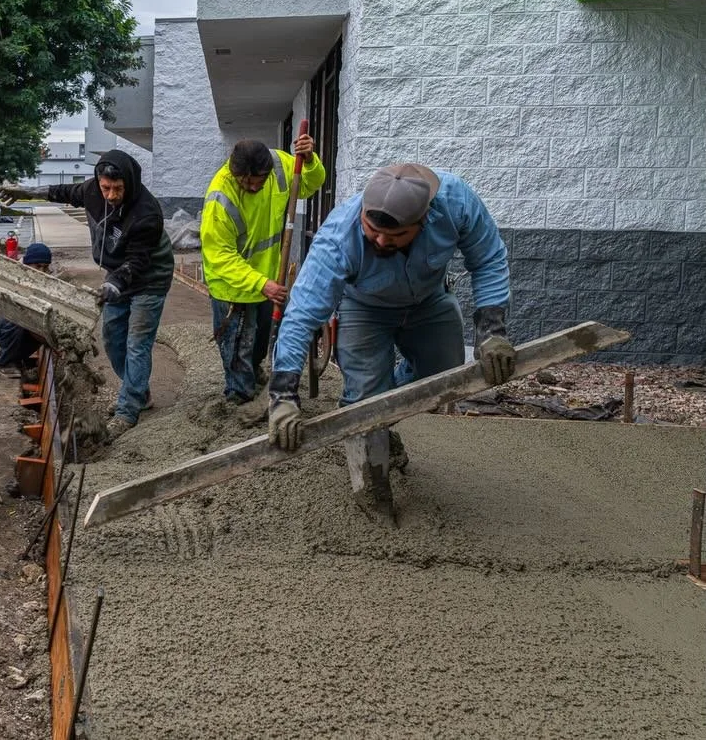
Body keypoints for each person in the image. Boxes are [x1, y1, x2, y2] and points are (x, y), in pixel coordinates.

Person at [266, 163, 515, 527]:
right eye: (373, 231)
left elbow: (488, 258)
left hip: (429, 300)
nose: (381, 242)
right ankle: (372, 490)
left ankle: (378, 415)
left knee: (443, 378)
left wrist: (492, 332)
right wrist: (282, 396)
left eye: (395, 235)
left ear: (424, 220)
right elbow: (302, 315)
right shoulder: (339, 236)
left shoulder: (455, 201)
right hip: (364, 307)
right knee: (366, 400)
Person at [0, 150, 174, 437]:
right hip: (117, 272)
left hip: (149, 277)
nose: (111, 195)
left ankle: (128, 410)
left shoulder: (146, 213)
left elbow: (137, 262)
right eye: (106, 188)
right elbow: (62, 191)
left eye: (118, 189)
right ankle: (138, 392)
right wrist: (26, 192)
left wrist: (113, 285)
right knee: (113, 339)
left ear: (129, 183)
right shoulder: (92, 191)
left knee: (137, 343)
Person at [201, 128, 324, 404]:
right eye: (247, 183)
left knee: (259, 341)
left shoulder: (279, 165)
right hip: (232, 287)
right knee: (237, 347)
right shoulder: (220, 198)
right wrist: (261, 284)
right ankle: (238, 397)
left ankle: (254, 374)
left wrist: (310, 160)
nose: (254, 188)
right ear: (234, 172)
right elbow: (221, 257)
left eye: (259, 182)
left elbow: (309, 184)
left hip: (269, 277)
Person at [0, 241, 52, 377]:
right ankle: (4, 362)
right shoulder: (14, 276)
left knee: (40, 329)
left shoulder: (42, 280)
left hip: (15, 321)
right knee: (19, 319)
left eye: (45, 267)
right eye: (38, 266)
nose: (41, 271)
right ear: (27, 264)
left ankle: (17, 358)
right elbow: (21, 312)